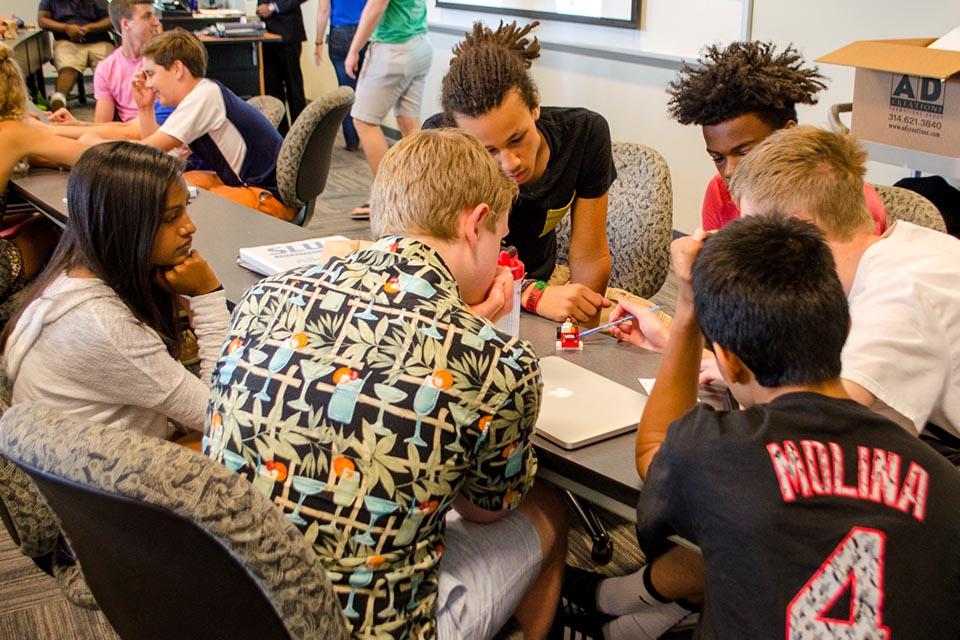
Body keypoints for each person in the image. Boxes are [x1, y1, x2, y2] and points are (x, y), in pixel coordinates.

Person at [205, 128, 568, 640]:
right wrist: (475, 339)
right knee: (549, 506)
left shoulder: (265, 295)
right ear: (476, 223)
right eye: (500, 240)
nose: (500, 254)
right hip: (362, 628)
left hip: (234, 602)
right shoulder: (497, 360)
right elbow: (485, 510)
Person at [559, 215, 960, 639]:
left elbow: (654, 444)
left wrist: (689, 307)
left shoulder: (715, 456)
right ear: (845, 326)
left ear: (729, 361)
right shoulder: (946, 485)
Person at [730, 126, 960, 460]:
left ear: (799, 230)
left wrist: (740, 383)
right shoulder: (902, 249)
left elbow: (820, 427)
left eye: (755, 234)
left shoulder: (901, 290)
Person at [3, 141, 229, 440]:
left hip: (81, 462)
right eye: (170, 218)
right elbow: (222, 417)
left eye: (185, 209)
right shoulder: (106, 326)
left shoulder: (72, 276)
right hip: (102, 481)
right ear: (122, 225)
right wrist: (206, 295)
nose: (190, 227)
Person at [425, 21, 615, 326]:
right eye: (489, 151)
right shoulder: (443, 142)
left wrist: (579, 333)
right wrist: (531, 293)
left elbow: (589, 254)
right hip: (473, 299)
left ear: (535, 106)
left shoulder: (584, 135)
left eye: (517, 139)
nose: (510, 163)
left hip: (545, 289)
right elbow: (443, 258)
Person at [666, 41, 887, 234]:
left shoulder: (847, 202)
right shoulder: (720, 193)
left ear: (787, 134)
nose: (729, 172)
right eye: (718, 158)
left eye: (744, 153)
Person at [133, 29, 295, 221]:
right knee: (175, 188)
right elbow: (160, 160)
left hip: (269, 198)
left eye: (151, 74)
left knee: (178, 212)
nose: (149, 84)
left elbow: (149, 152)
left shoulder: (204, 97)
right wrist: (145, 109)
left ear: (177, 68)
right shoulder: (202, 94)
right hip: (261, 189)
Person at [0, 42, 88, 323]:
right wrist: (38, 130)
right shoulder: (13, 131)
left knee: (32, 217)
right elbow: (86, 156)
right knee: (59, 226)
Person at [344, 0, 431, 218]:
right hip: (419, 44)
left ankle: (386, 197)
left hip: (393, 49)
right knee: (409, 125)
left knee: (364, 121)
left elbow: (376, 6)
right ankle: (422, 198)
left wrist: (354, 50)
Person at [37, 0, 115, 112]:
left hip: (99, 40)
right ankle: (60, 98)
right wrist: (66, 28)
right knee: (68, 67)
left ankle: (115, 97)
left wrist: (89, 28)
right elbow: (42, 20)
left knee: (108, 68)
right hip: (66, 41)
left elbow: (110, 19)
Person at [314, 0, 368, 151]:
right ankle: (368, 135)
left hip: (340, 32)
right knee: (364, 90)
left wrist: (318, 43)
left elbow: (323, 10)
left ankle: (352, 142)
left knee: (347, 90)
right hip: (367, 31)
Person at [256, 0, 308, 132]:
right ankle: (281, 134)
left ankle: (301, 133)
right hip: (266, 33)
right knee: (272, 88)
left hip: (288, 33)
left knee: (293, 87)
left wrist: (273, 7)